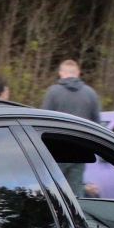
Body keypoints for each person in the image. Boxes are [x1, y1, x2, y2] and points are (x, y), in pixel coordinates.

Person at [41, 59, 101, 194]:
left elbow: (41, 121)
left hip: (56, 151)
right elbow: (97, 124)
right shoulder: (90, 93)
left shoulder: (53, 92)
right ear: (78, 73)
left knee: (53, 191)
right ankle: (76, 214)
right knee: (75, 193)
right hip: (80, 151)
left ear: (61, 73)